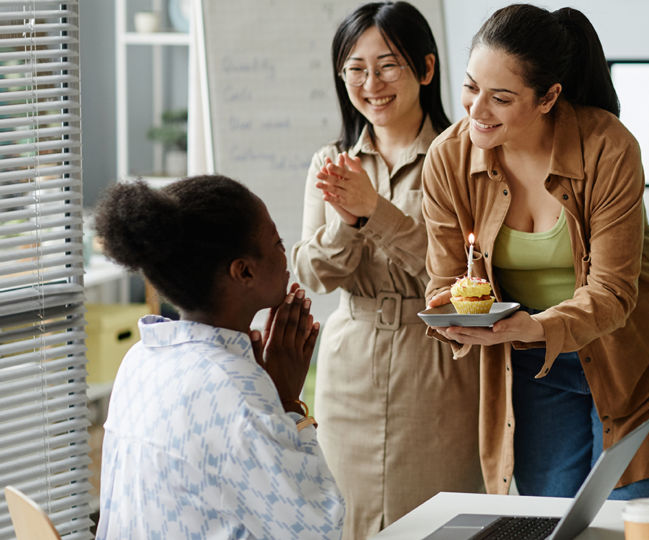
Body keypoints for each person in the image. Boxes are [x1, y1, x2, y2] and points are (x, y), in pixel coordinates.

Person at [421, 3, 649, 500]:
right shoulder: (448, 159)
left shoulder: (608, 147)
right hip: (535, 359)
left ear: (548, 96)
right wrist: (456, 316)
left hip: (637, 356)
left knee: (624, 520)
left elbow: (614, 292)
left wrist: (536, 325)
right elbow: (445, 280)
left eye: (501, 98)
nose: (476, 110)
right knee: (546, 518)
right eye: (470, 87)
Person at [290, 2, 483, 535]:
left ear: (425, 68)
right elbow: (312, 272)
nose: (370, 82)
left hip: (439, 362)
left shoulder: (466, 156)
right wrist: (347, 222)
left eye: (387, 65)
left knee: (439, 519)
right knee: (345, 517)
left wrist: (376, 211)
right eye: (355, 68)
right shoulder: (331, 161)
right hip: (349, 364)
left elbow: (466, 277)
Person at [93, 176, 343, 539]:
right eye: (277, 243)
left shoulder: (140, 359)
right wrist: (287, 403)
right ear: (244, 271)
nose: (284, 255)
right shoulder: (236, 389)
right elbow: (320, 529)